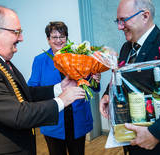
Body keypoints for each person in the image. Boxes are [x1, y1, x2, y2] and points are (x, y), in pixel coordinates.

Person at [0, 6, 86, 155]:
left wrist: (59, 87)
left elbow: (23, 92)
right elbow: (18, 114)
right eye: (16, 32)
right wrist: (61, 100)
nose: (21, 38)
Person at [99, 0, 160, 154]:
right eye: (117, 21)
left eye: (123, 20)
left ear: (145, 16)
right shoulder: (126, 48)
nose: (119, 26)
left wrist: (157, 133)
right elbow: (121, 78)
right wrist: (107, 95)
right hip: (133, 144)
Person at [28, 21, 101, 155]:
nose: (58, 40)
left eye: (62, 36)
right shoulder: (40, 60)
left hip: (78, 118)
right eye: (54, 37)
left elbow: (93, 88)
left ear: (67, 38)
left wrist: (95, 80)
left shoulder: (79, 56)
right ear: (48, 39)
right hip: (53, 120)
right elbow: (32, 90)